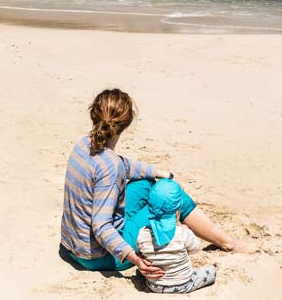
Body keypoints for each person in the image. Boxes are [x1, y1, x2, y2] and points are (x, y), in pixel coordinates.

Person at [60, 89, 256, 279]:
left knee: (146, 182)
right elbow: (101, 226)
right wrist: (136, 259)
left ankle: (175, 222)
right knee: (173, 197)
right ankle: (229, 243)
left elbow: (121, 164)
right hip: (99, 256)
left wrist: (157, 172)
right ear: (127, 123)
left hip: (72, 245)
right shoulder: (111, 168)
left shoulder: (85, 144)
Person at [136, 179, 217, 294]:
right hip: (183, 284)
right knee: (210, 271)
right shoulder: (182, 233)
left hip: (154, 285)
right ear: (177, 212)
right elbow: (195, 247)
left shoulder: (142, 233)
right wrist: (187, 230)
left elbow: (140, 251)